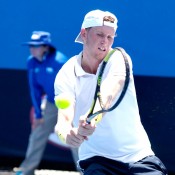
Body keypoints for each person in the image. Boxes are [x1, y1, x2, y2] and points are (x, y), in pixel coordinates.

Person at [54, 10, 168, 175]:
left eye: (110, 37)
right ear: (84, 34)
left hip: (138, 156)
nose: (105, 42)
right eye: (100, 34)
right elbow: (63, 119)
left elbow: (108, 93)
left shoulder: (119, 58)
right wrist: (66, 135)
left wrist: (92, 117)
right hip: (96, 160)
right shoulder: (66, 73)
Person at [14, 31, 76, 175]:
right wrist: (38, 113)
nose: (32, 49)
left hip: (70, 104)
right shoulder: (31, 61)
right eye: (31, 46)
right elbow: (34, 89)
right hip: (50, 104)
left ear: (45, 47)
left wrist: (70, 108)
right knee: (37, 135)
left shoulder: (60, 61)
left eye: (36, 46)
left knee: (74, 138)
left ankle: (85, 171)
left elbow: (73, 87)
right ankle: (26, 170)